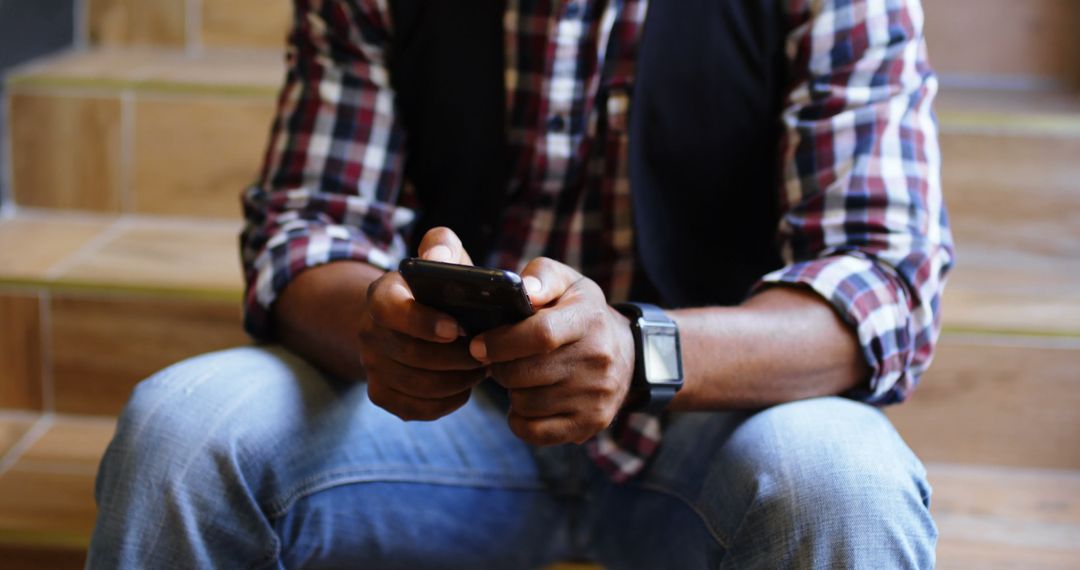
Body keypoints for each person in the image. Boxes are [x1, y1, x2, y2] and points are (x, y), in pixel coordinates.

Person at [89, 0, 953, 567]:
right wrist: (377, 321)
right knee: (182, 430)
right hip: (434, 422)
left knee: (845, 481)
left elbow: (882, 282)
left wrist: (636, 349)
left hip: (715, 423)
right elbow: (305, 229)